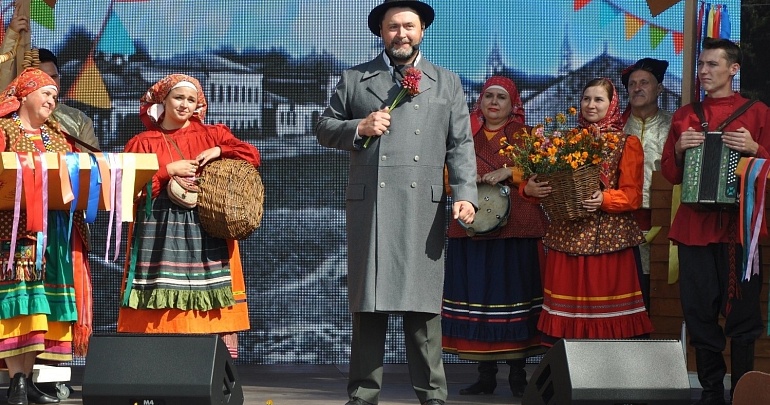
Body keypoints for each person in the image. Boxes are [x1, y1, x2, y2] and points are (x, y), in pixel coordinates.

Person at [315, 1, 477, 404]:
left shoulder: (447, 82)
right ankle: (363, 395)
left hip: (423, 205)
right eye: (392, 27)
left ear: (422, 30)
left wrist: (466, 194)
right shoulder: (355, 79)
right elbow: (323, 128)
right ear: (381, 33)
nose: (400, 34)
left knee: (423, 308)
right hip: (372, 209)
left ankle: (433, 396)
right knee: (369, 307)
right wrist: (359, 126)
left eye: (408, 26)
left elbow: (461, 145)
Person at [118, 74, 261, 360]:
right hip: (159, 234)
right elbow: (126, 188)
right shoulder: (143, 142)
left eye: (191, 100)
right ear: (163, 100)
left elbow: (252, 156)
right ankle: (162, 371)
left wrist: (220, 149)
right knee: (161, 299)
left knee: (209, 305)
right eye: (178, 98)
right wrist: (168, 171)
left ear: (198, 105)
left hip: (206, 231)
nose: (184, 105)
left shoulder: (212, 134)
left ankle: (206, 372)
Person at [660, 37, 770, 405]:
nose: (703, 71)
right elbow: (671, 175)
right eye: (701, 65)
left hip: (739, 231)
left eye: (712, 65)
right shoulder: (685, 115)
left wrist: (757, 150)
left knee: (743, 316)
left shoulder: (759, 113)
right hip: (693, 230)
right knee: (698, 311)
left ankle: (742, 392)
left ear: (733, 70)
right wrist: (677, 148)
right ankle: (710, 392)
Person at [523, 78, 653, 346]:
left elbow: (633, 196)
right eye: (586, 99)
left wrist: (605, 198)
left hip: (610, 243)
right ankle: (565, 382)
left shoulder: (626, 143)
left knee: (609, 320)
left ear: (613, 104)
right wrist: (530, 190)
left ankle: (611, 381)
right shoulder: (564, 143)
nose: (591, 105)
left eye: (598, 99)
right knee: (566, 324)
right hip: (567, 239)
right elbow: (546, 182)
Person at [441, 76, 546, 398]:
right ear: (481, 101)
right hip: (473, 227)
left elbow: (542, 170)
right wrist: (464, 179)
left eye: (501, 97)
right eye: (489, 96)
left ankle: (517, 376)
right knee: (480, 298)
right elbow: (446, 179)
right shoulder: (464, 137)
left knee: (515, 298)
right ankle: (485, 375)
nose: (494, 102)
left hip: (516, 230)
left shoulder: (525, 137)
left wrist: (510, 173)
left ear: (513, 104)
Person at [0, 68, 91, 405]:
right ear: (24, 95)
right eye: (46, 93)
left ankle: (29, 381)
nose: (53, 100)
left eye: (56, 95)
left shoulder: (58, 135)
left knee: (43, 307)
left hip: (55, 232)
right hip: (15, 231)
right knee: (21, 301)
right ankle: (17, 380)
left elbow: (77, 173)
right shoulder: (3, 130)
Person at [620, 57, 673, 311]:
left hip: (664, 221)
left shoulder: (674, 126)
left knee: (659, 296)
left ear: (659, 88)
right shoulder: (616, 128)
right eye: (632, 84)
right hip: (623, 221)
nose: (637, 88)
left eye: (644, 83)